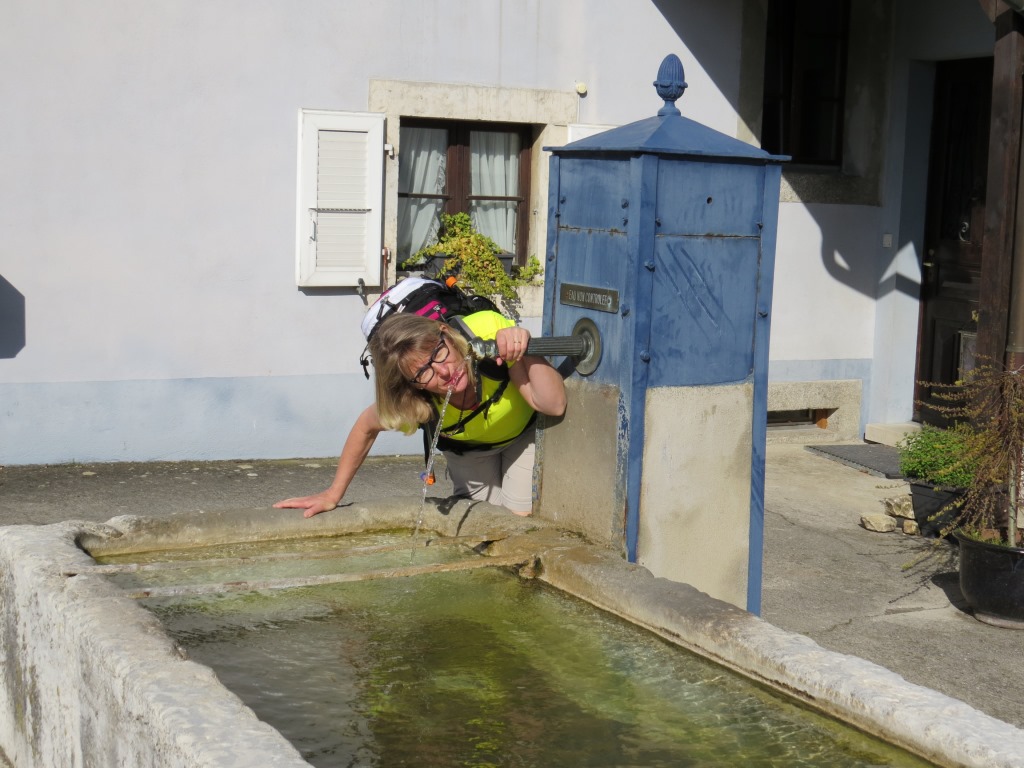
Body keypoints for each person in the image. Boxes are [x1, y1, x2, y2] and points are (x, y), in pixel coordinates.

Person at [274, 310, 566, 518]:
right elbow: (366, 426)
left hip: (520, 437)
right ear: (411, 385)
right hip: (468, 453)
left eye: (439, 353)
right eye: (424, 372)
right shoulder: (416, 401)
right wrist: (332, 494)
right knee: (483, 524)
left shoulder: (487, 331)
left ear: (445, 334)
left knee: (518, 516)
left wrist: (522, 346)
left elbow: (553, 404)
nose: (443, 371)